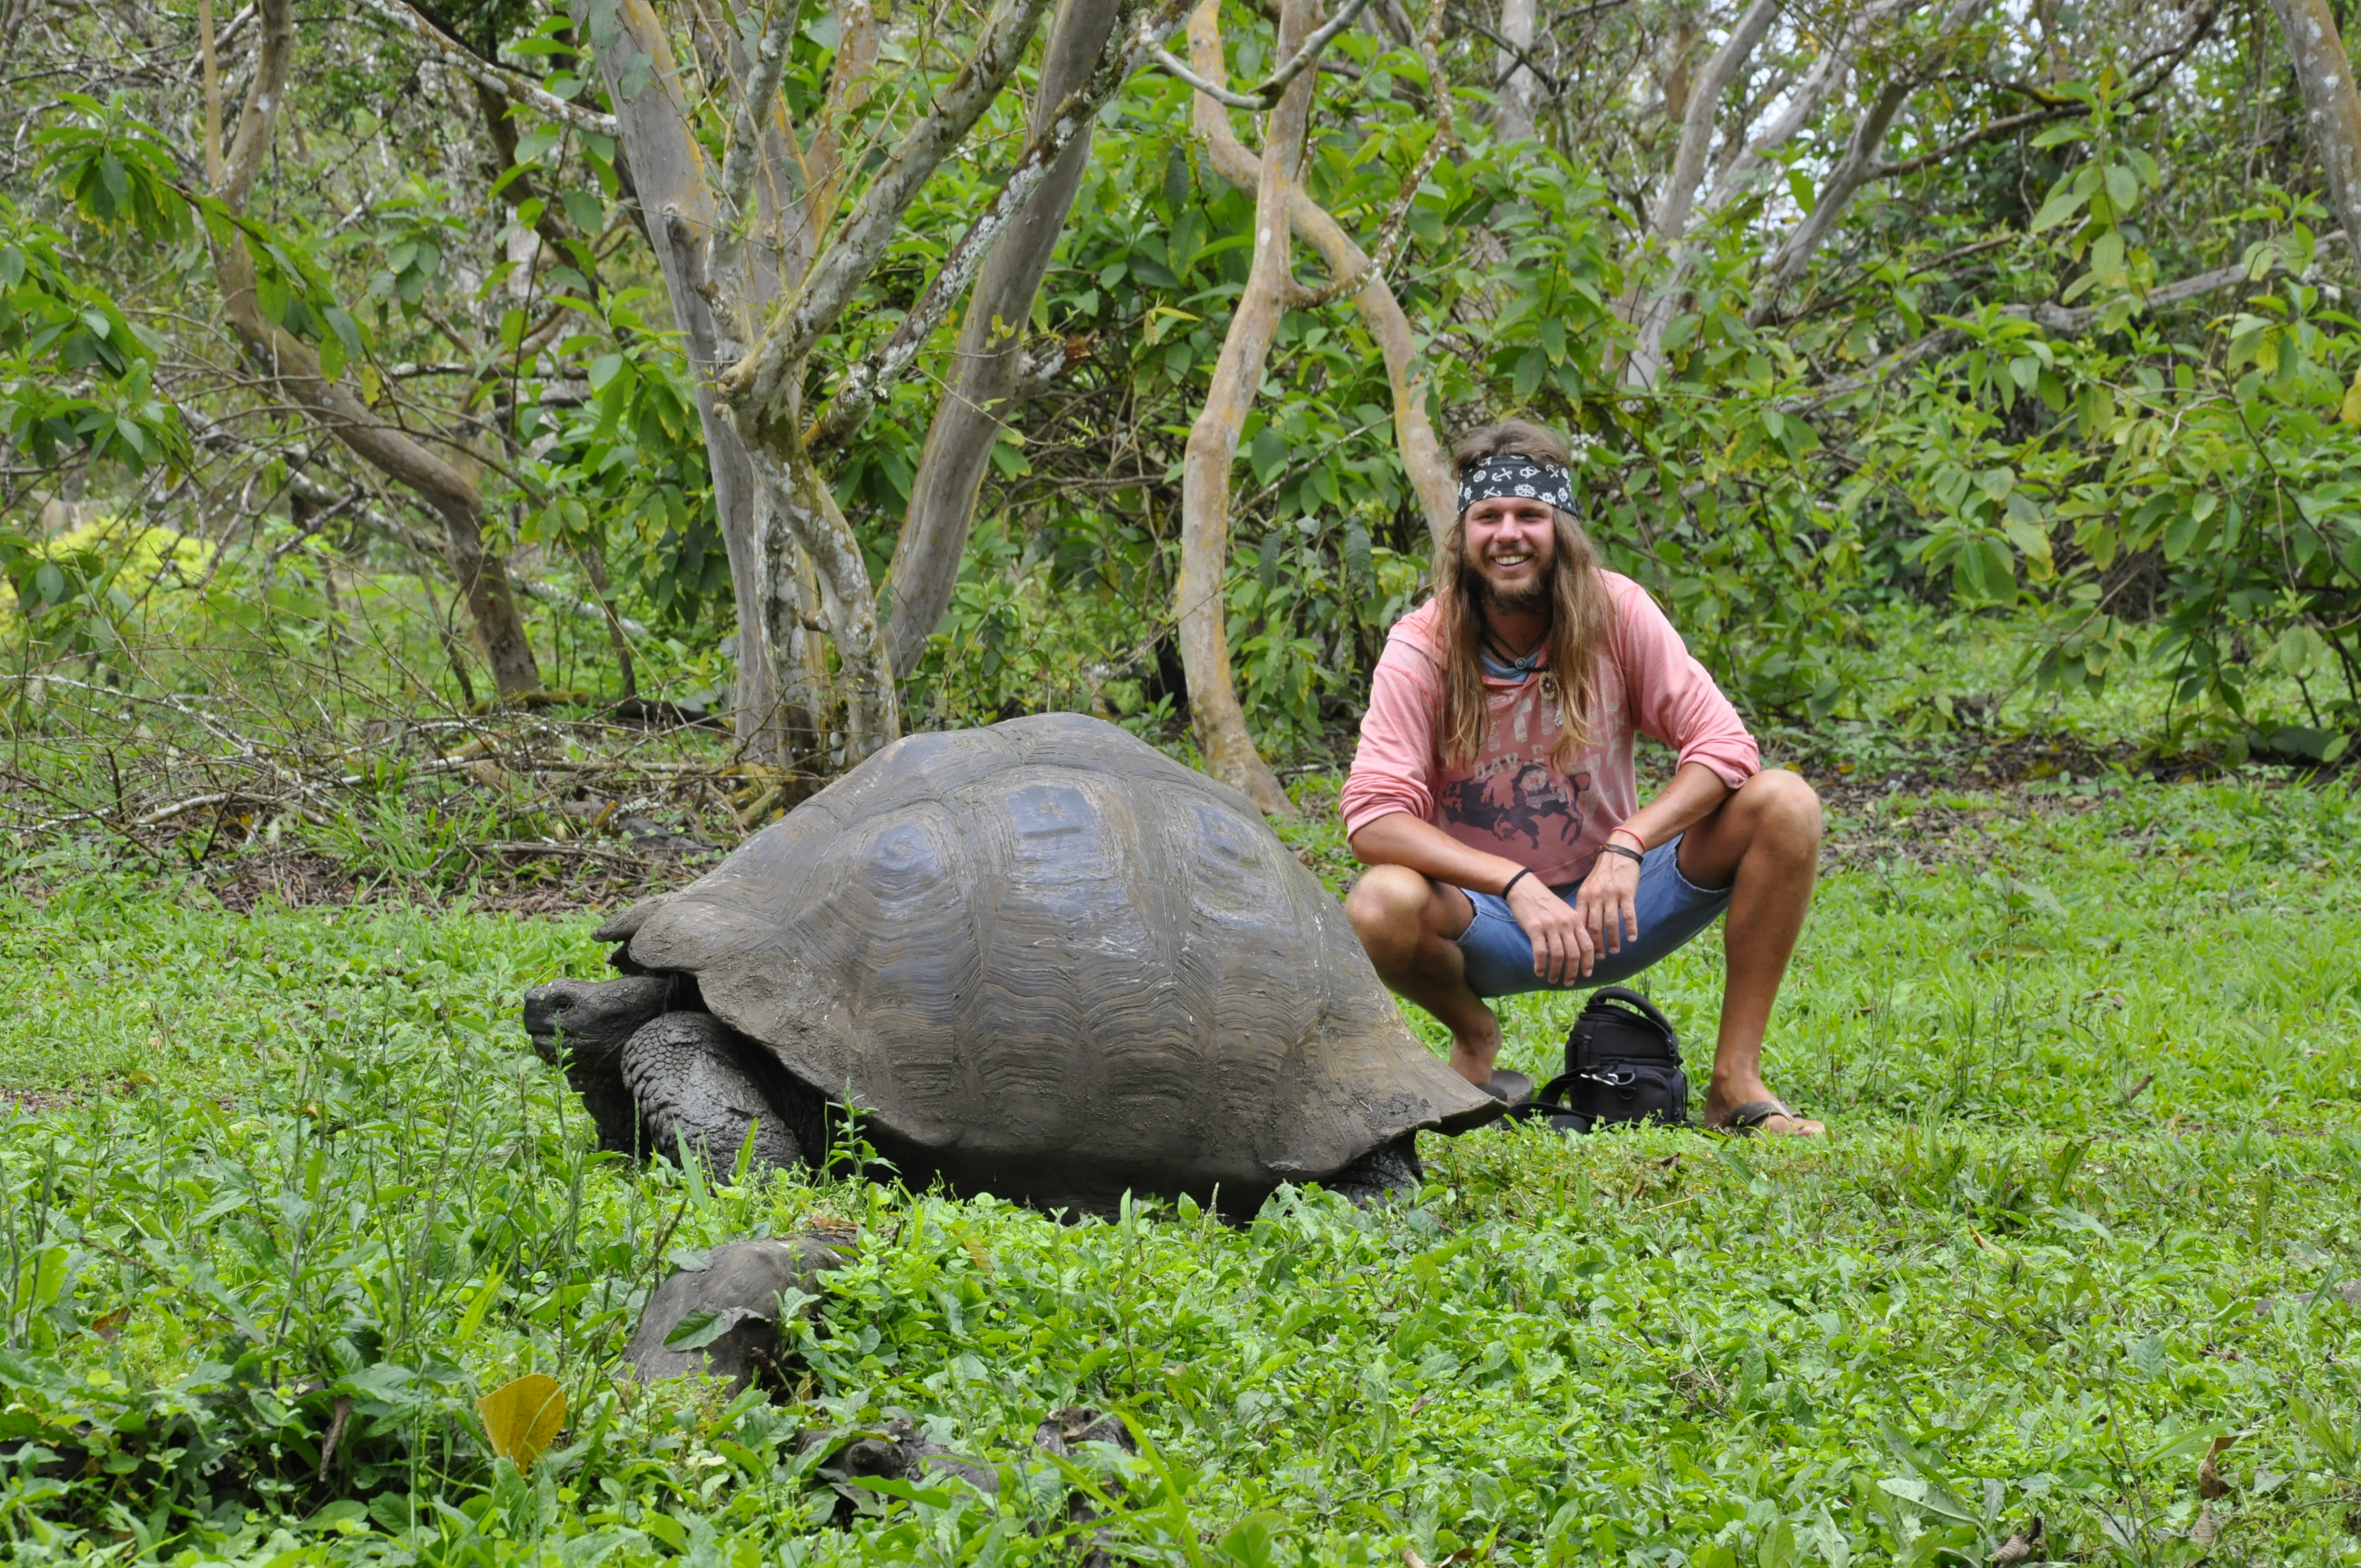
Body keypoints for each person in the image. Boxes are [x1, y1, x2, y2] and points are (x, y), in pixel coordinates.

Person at [1339, 417, 1825, 1135]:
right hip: (1491, 922)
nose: (1509, 533)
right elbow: (1373, 817)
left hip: (1617, 906)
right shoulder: (1424, 644)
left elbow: (1724, 743)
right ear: (1464, 537)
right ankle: (1476, 1040)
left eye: (1531, 515)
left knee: (1786, 803)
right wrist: (1512, 881)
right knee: (1379, 903)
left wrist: (1629, 844)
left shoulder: (1617, 611)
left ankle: (1736, 1085)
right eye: (1489, 517)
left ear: (1561, 529)